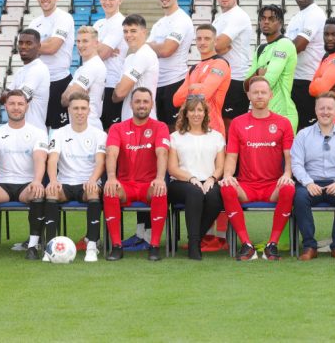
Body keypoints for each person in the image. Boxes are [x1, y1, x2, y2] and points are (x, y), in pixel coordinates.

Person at [220, 77, 296, 261]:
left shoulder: (283, 123)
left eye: (263, 92)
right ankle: (246, 245)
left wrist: (287, 174)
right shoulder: (238, 123)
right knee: (226, 187)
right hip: (247, 187)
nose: (259, 95)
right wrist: (228, 175)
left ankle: (272, 245)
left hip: (272, 186)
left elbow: (289, 156)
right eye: (255, 92)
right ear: (248, 95)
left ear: (270, 95)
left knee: (288, 188)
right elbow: (231, 156)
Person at [0, 90, 49, 260]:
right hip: (3, 185)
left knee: (38, 192)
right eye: (12, 104)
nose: (16, 108)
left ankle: (32, 246)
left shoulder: (38, 132)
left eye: (20, 104)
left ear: (27, 106)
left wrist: (37, 181)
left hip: (27, 185)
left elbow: (40, 159)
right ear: (5, 107)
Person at [103, 87, 169, 261]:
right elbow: (111, 153)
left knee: (160, 190)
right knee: (110, 190)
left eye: (145, 101)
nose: (141, 105)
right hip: (126, 185)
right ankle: (117, 246)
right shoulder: (118, 128)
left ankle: (154, 246)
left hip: (149, 184)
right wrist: (111, 177)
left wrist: (160, 178)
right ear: (131, 104)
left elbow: (162, 153)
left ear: (151, 104)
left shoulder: (160, 127)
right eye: (138, 101)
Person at [291, 92, 335, 261]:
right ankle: (309, 246)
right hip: (310, 182)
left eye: (329, 108)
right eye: (322, 108)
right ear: (315, 110)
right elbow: (296, 164)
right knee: (299, 197)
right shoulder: (303, 135)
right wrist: (308, 183)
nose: (325, 112)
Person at [45, 92, 107, 262]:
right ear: (69, 110)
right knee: (51, 192)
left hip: (88, 183)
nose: (79, 112)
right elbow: (52, 160)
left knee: (93, 192)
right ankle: (49, 247)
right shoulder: (58, 133)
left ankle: (92, 246)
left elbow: (100, 162)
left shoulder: (99, 135)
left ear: (89, 110)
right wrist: (52, 181)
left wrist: (93, 180)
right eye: (76, 108)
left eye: (83, 108)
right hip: (65, 183)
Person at [167, 98, 225, 260]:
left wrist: (212, 179)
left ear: (206, 113)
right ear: (185, 114)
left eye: (200, 110)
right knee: (195, 193)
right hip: (181, 183)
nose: (196, 114)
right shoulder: (175, 137)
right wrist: (191, 178)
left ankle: (196, 238)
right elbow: (172, 168)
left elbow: (220, 166)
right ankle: (194, 245)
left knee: (215, 196)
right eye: (192, 110)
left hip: (208, 180)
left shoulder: (216, 136)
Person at [26, 0, 75, 129]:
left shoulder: (64, 18)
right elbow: (26, 52)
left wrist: (33, 46)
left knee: (60, 132)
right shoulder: (34, 23)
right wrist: (42, 45)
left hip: (58, 81)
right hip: (39, 82)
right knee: (37, 129)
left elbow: (53, 47)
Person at [147, 0, 195, 129]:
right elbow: (143, 51)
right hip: (157, 83)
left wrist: (151, 45)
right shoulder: (159, 23)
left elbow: (167, 50)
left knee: (174, 130)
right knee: (160, 130)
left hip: (175, 82)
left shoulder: (181, 20)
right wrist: (152, 46)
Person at [244, 5, 298, 132]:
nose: (266, 21)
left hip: (283, 115)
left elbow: (268, 82)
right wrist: (258, 73)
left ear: (280, 23)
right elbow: (246, 86)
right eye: (263, 18)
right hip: (261, 115)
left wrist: (256, 78)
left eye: (271, 19)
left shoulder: (284, 44)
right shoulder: (260, 49)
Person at [172, 24, 231, 136]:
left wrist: (193, 88)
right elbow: (176, 100)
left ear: (215, 41)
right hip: (190, 129)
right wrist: (194, 87)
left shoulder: (220, 63)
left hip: (213, 129)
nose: (202, 42)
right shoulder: (193, 68)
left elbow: (204, 94)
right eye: (199, 39)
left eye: (207, 38)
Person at [211, 0, 254, 131]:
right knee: (218, 122)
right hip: (220, 77)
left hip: (235, 77)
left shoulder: (238, 16)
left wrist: (218, 46)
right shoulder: (218, 19)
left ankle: (235, 156)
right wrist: (218, 47)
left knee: (232, 125)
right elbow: (208, 47)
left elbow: (218, 45)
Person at [287, 0, 327, 131]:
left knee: (307, 129)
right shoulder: (296, 17)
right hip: (294, 79)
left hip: (308, 80)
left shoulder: (315, 14)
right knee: (295, 129)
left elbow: (299, 45)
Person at [112, 14, 159, 123]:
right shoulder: (130, 58)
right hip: (129, 121)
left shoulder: (145, 54)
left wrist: (120, 89)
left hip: (144, 122)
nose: (128, 35)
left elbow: (119, 93)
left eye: (133, 31)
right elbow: (117, 94)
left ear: (144, 32)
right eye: (125, 31)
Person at [94, 0, 127, 131]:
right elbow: (84, 53)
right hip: (97, 84)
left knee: (112, 132)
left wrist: (97, 48)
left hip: (112, 84)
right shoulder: (98, 24)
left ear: (120, 0)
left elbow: (101, 53)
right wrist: (101, 48)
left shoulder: (121, 22)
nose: (107, 2)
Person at [61, 26, 106, 130]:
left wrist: (71, 94)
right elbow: (63, 100)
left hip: (90, 125)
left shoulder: (93, 66)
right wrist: (74, 93)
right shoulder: (82, 69)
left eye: (85, 41)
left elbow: (67, 98)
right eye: (78, 41)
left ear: (96, 43)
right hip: (80, 126)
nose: (80, 45)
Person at [8, 28, 50, 131]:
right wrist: (10, 96)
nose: (23, 47)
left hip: (35, 132)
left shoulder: (39, 69)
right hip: (19, 130)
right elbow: (3, 99)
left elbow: (18, 99)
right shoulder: (21, 71)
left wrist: (10, 95)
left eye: (28, 43)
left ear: (39, 46)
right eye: (21, 43)